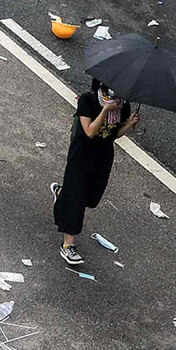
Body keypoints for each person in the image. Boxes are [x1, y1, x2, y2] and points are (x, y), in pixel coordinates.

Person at [52, 78, 138, 268]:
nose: (118, 99)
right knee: (77, 200)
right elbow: (90, 131)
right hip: (81, 156)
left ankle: (61, 194)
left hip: (103, 157)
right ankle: (68, 245)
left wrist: (129, 124)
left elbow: (113, 134)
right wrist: (105, 110)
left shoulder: (123, 106)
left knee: (91, 198)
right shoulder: (88, 101)